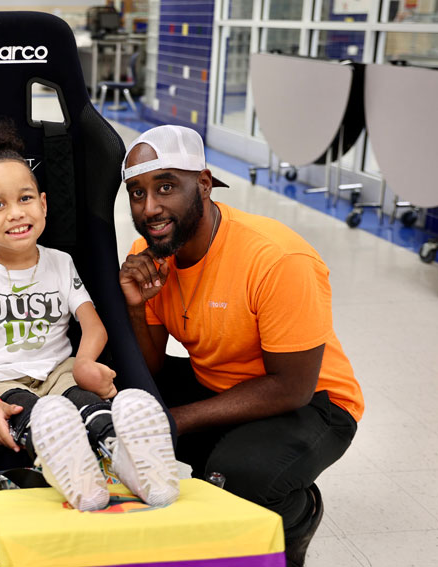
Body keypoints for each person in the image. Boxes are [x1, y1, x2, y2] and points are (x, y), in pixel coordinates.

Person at [118, 125, 364, 566]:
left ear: (205, 184)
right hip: (218, 384)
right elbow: (150, 368)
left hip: (314, 402)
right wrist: (136, 308)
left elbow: (292, 388)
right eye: (137, 192)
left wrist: (177, 421)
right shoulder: (151, 253)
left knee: (237, 477)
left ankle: (298, 512)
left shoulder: (276, 258)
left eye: (166, 187)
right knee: (121, 398)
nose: (150, 207)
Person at [0, 118, 178, 512]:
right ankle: (79, 479)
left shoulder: (61, 264)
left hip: (60, 373)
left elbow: (93, 325)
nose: (15, 213)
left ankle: (135, 465)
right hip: (3, 381)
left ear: (44, 204)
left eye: (25, 199)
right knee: (38, 416)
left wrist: (84, 362)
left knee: (91, 407)